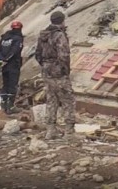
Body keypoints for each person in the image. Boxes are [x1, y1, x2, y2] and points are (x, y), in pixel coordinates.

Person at [35, 11, 76, 140]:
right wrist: (65, 69)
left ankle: (50, 130)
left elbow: (37, 54)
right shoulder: (59, 35)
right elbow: (64, 55)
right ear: (62, 20)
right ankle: (69, 131)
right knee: (67, 99)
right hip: (58, 72)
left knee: (51, 99)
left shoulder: (43, 35)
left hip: (46, 71)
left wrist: (46, 65)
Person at [0, 21, 24, 114]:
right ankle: (10, 107)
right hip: (13, 65)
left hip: (4, 65)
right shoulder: (18, 38)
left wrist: (2, 59)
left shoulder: (4, 38)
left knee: (5, 84)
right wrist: (7, 59)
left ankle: (3, 105)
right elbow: (15, 51)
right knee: (12, 85)